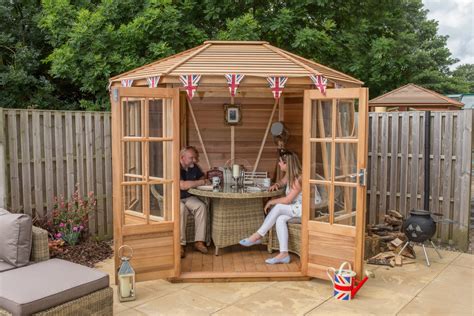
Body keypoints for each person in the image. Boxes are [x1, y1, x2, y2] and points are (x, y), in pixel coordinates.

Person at [239, 150, 302, 264]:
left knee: (277, 207)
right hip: (296, 208)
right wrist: (276, 185)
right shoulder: (290, 175)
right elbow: (282, 182)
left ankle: (257, 235)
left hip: (305, 209)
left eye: (281, 162)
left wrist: (271, 202)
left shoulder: (298, 179)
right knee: (280, 219)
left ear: (287, 164)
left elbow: (287, 200)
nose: (279, 164)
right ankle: (284, 254)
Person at [180, 146, 210, 258]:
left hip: (188, 197)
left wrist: (201, 180)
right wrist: (201, 182)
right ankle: (180, 244)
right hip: (173, 198)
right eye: (191, 158)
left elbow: (202, 176)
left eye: (195, 158)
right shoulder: (175, 166)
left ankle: (199, 242)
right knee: (181, 209)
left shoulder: (193, 166)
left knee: (201, 206)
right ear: (182, 158)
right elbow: (183, 185)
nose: (195, 160)